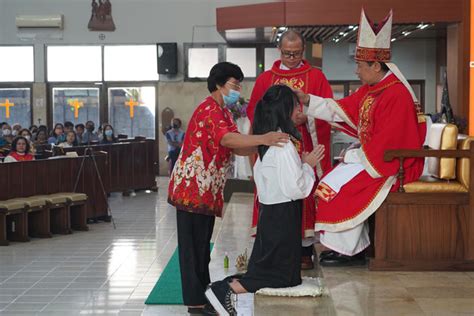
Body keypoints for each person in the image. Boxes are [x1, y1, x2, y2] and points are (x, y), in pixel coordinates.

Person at [293, 9, 426, 266]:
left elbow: (391, 140)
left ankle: (351, 251)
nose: (356, 71)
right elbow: (340, 108)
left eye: (359, 65)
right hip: (376, 158)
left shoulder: (396, 94)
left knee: (341, 190)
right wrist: (306, 99)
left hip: (394, 164)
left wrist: (357, 154)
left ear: (376, 65)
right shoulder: (372, 89)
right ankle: (345, 246)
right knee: (328, 183)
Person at [167, 62, 289, 316]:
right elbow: (228, 139)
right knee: (192, 248)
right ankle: (195, 303)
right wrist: (263, 139)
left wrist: (266, 144)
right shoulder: (209, 110)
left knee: (202, 246)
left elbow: (238, 147)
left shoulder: (225, 112)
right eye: (234, 84)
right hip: (192, 189)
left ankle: (203, 295)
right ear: (220, 84)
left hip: (206, 191)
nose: (238, 89)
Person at [205, 85, 325, 316]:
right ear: (284, 110)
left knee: (280, 273)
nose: (297, 111)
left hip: (272, 214)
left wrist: (302, 165)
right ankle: (224, 289)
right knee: (277, 277)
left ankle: (225, 288)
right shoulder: (283, 144)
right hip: (283, 215)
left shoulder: (269, 142)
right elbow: (295, 188)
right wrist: (308, 166)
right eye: (293, 107)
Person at [246, 30, 334, 269]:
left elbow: (329, 109)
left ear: (303, 51)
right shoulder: (266, 78)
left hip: (306, 140)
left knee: (304, 189)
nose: (292, 58)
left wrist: (309, 117)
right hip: (277, 144)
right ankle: (277, 246)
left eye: (296, 53)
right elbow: (255, 111)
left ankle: (304, 249)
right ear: (279, 50)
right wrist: (280, 121)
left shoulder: (316, 76)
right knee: (280, 190)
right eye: (287, 53)